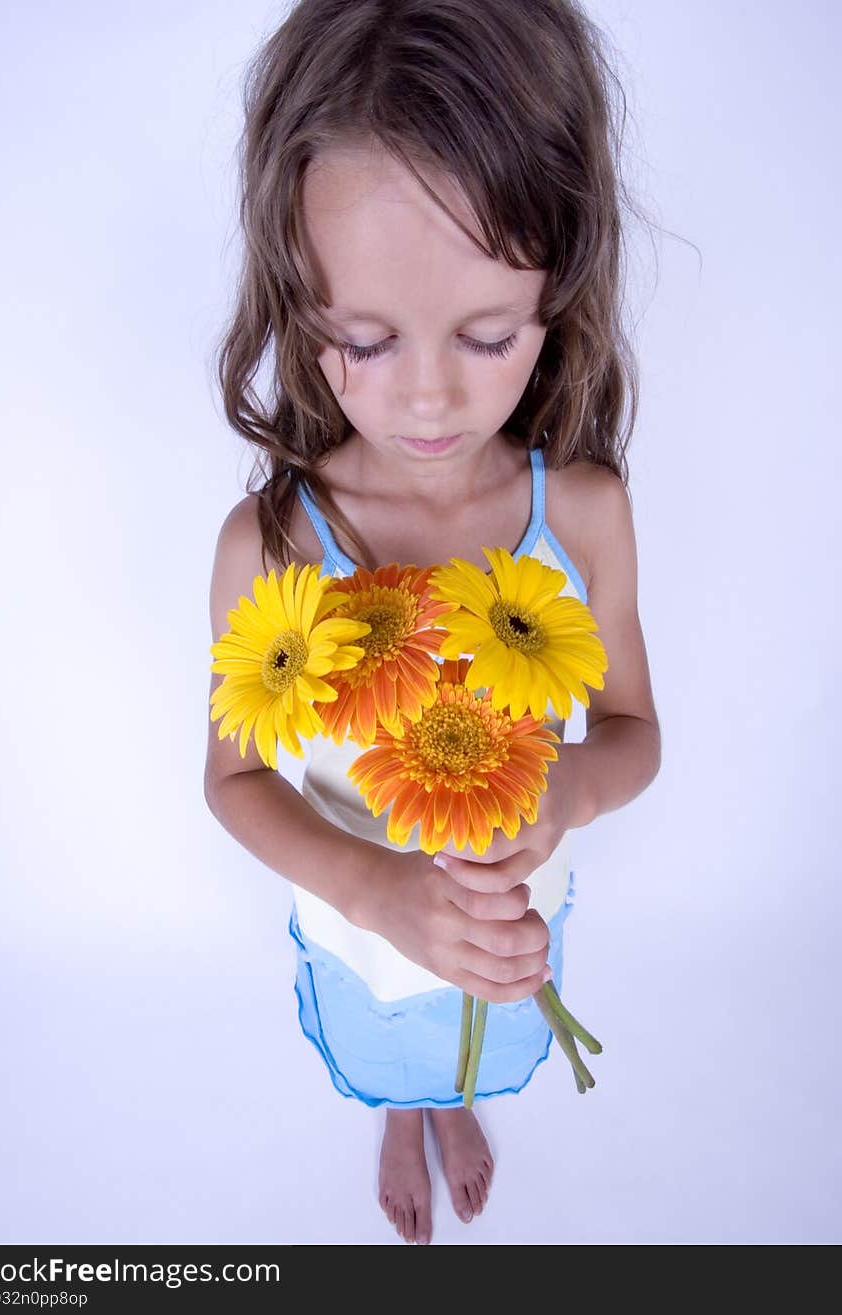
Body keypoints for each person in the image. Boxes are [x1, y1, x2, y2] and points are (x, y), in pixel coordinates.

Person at [204, 0, 661, 1246]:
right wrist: (374, 888)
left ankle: (451, 1096)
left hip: (507, 905)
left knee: (475, 1020)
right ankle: (398, 1113)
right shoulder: (277, 544)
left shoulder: (578, 514)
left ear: (557, 291)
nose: (423, 393)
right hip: (359, 918)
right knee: (387, 1030)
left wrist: (560, 792)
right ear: (297, 301)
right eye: (361, 336)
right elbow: (234, 778)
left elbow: (631, 730)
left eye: (484, 334)